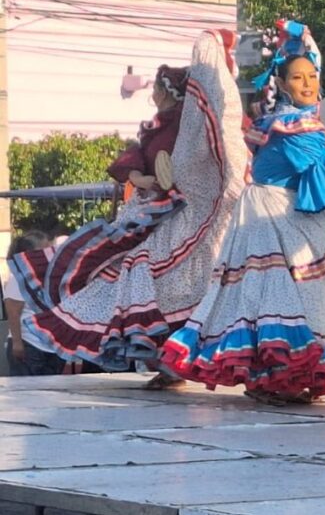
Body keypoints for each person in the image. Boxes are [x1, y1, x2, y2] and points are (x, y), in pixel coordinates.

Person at [8, 29, 247, 388]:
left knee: (161, 282)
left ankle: (179, 361)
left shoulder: (189, 129)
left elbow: (208, 151)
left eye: (157, 87)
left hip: (180, 218)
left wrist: (213, 59)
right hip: (148, 216)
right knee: (120, 277)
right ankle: (167, 362)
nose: (152, 91)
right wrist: (141, 176)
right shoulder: (155, 129)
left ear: (170, 91)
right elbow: (134, 161)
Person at [161, 20, 325, 406]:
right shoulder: (292, 125)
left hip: (279, 217)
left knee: (279, 298)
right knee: (283, 297)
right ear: (282, 82)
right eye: (299, 77)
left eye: (313, 76)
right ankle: (281, 377)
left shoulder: (287, 121)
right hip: (275, 221)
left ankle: (281, 376)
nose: (309, 83)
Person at [107, 64, 189, 197]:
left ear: (162, 94)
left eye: (155, 89)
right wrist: (137, 177)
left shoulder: (172, 130)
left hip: (169, 206)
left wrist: (140, 178)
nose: (152, 94)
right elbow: (139, 153)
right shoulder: (169, 125)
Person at [4, 231, 64, 376]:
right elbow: (13, 312)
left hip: (50, 346)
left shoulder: (48, 277)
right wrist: (17, 343)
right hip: (29, 344)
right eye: (45, 250)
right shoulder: (19, 278)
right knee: (28, 394)